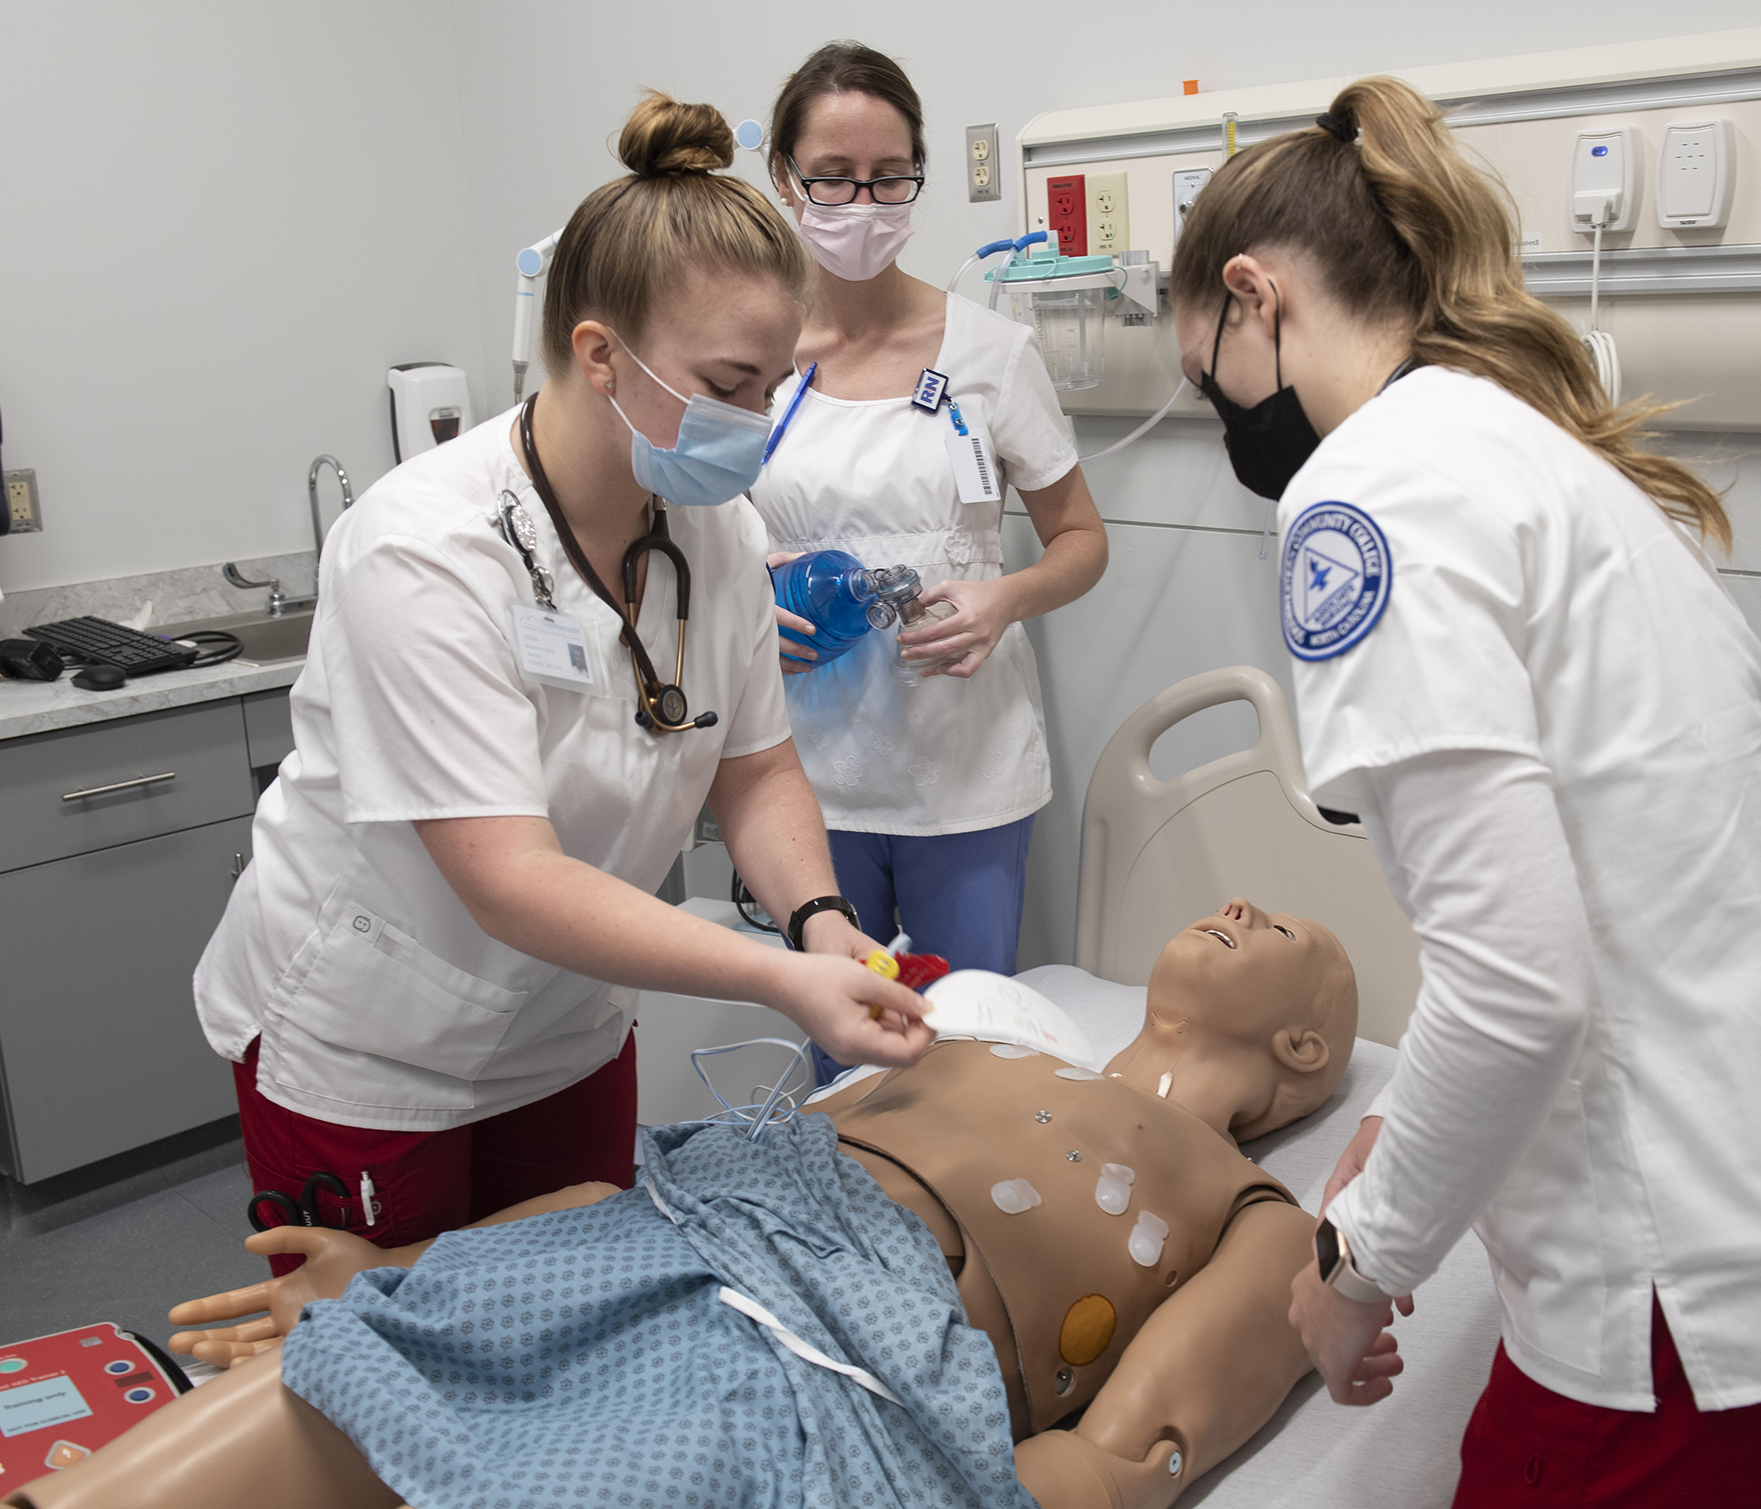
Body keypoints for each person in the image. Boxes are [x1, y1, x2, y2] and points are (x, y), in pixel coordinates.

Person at [1172, 76, 1761, 1507]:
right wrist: (1409, 1136)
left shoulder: (1370, 494)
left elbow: (1519, 983)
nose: (1217, 410)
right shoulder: (1538, 455)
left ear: (1251, 296)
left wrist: (1359, 1263)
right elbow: (1612, 869)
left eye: (1201, 367)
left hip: (1675, 1297)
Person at [191, 90, 931, 1275]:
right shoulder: (423, 548)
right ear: (599, 355)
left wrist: (821, 922)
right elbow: (508, 879)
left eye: (772, 388)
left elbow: (756, 767)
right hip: (378, 1043)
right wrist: (780, 980)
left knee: (573, 1327)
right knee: (385, 1379)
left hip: (569, 1028)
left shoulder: (715, 531)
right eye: (730, 384)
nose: (757, 424)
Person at [19, 901, 1355, 1509]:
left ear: (1306, 1049)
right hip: (706, 1208)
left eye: (1282, 930)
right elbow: (648, 1197)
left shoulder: (1265, 1217)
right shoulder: (985, 1036)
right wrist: (407, 1262)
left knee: (613, 1464)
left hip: (855, 1343)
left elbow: (1139, 1450)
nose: (1238, 905)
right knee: (362, 1356)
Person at [750, 43, 1109, 1076]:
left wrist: (1006, 598)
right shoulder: (752, 353)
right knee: (842, 1067)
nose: (861, 203)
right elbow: (680, 541)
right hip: (803, 779)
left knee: (969, 1059)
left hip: (965, 771)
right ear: (783, 176)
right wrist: (739, 609)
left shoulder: (990, 354)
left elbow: (1081, 540)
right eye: (831, 177)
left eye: (889, 177)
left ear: (916, 174)